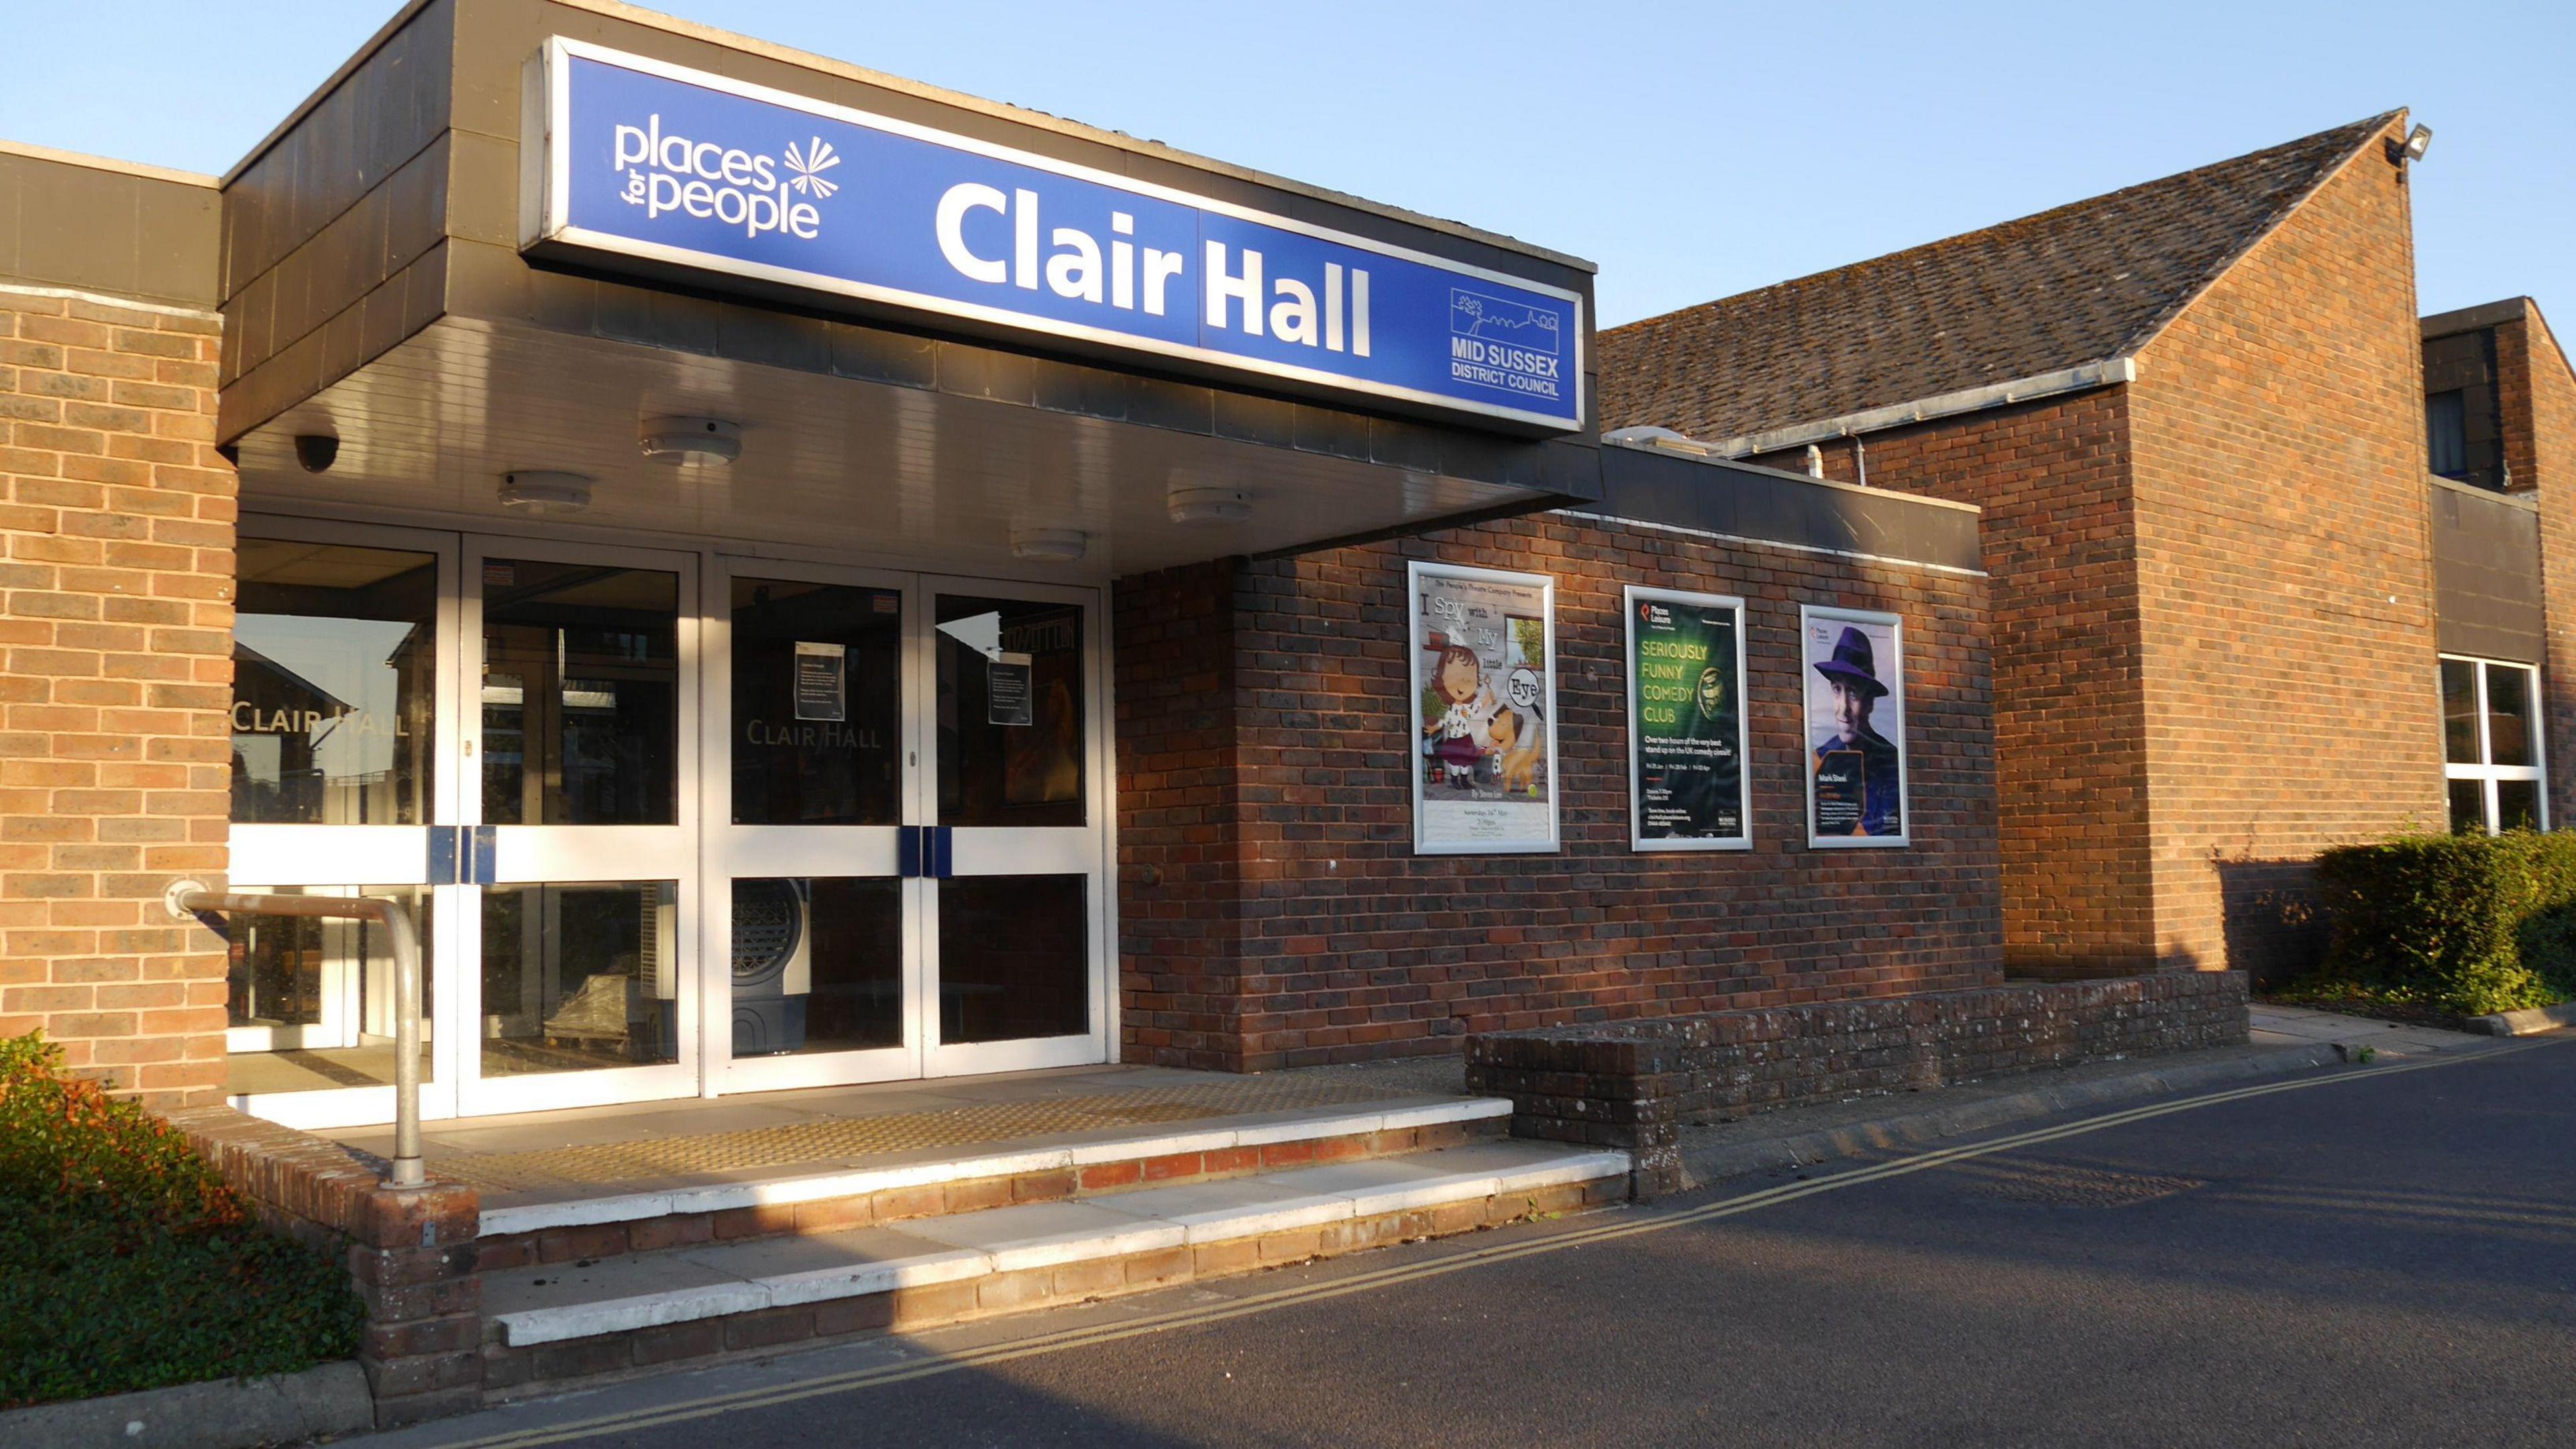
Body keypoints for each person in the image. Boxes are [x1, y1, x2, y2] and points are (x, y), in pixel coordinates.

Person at [1811, 626, 1901, 837]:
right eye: (1837, 689)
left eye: (1853, 692)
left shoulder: (1891, 761)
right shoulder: (1821, 758)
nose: (1843, 709)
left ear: (1870, 702)